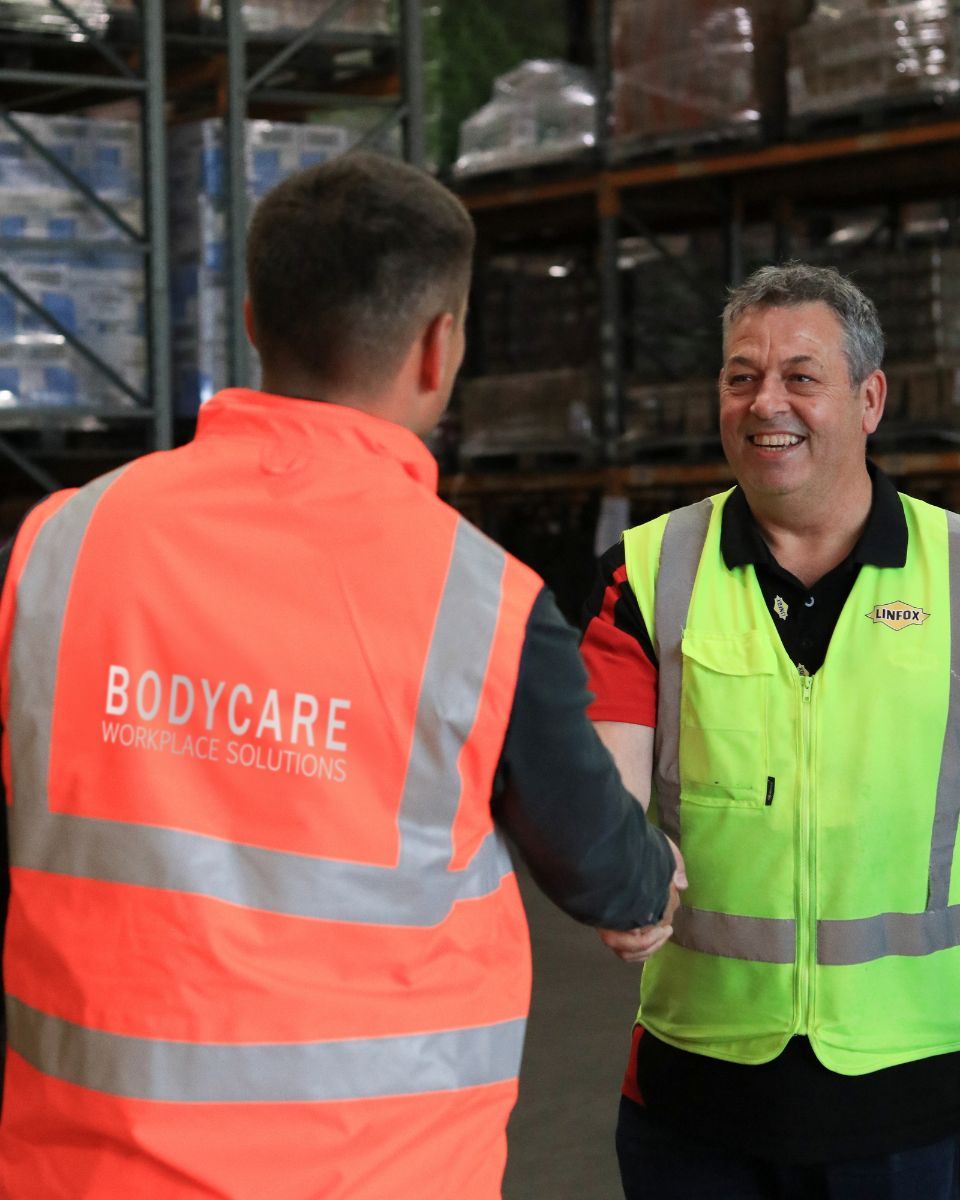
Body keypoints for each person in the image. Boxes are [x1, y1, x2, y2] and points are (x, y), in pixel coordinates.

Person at [0, 152, 680, 1199]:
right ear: (438, 346)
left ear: (255, 320)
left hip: (82, 1171)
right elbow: (605, 868)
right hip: (375, 1174)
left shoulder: (58, 544)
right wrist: (651, 881)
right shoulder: (481, 602)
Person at [580, 261, 960, 1200]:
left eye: (801, 376)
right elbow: (606, 787)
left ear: (869, 399)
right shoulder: (648, 572)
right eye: (740, 375)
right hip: (699, 1099)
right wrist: (619, 871)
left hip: (918, 1094)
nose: (764, 403)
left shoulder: (956, 574)